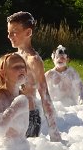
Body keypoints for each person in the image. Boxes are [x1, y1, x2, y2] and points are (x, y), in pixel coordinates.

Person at [6, 11, 61, 141]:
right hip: (12, 114)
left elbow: (45, 95)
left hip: (28, 118)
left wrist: (54, 132)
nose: (9, 36)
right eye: (8, 32)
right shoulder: (14, 57)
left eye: (14, 32)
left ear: (28, 32)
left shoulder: (33, 60)